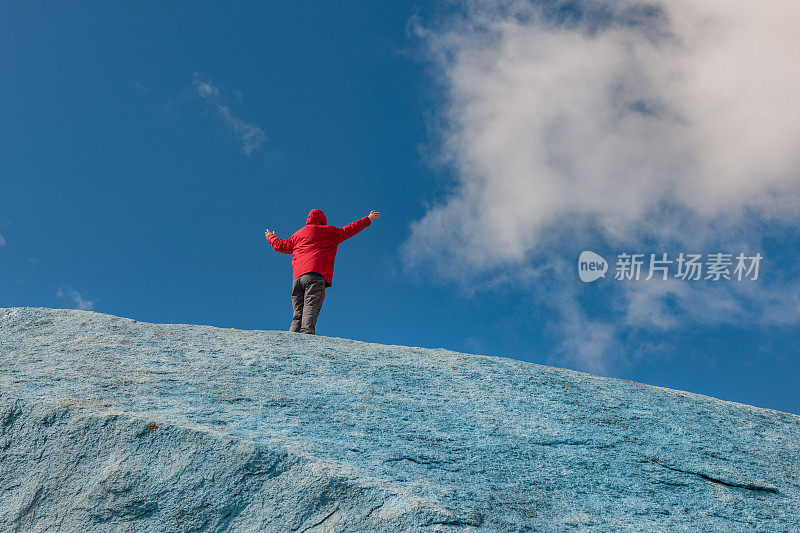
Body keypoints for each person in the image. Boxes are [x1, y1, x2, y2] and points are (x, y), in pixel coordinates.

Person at [265, 209, 380, 334]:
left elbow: (281, 245)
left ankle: (292, 338)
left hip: (297, 279)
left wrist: (271, 237)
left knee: (298, 312)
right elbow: (350, 229)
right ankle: (306, 336)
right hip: (315, 275)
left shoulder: (298, 235)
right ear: (323, 219)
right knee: (310, 307)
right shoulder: (329, 232)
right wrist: (368, 219)